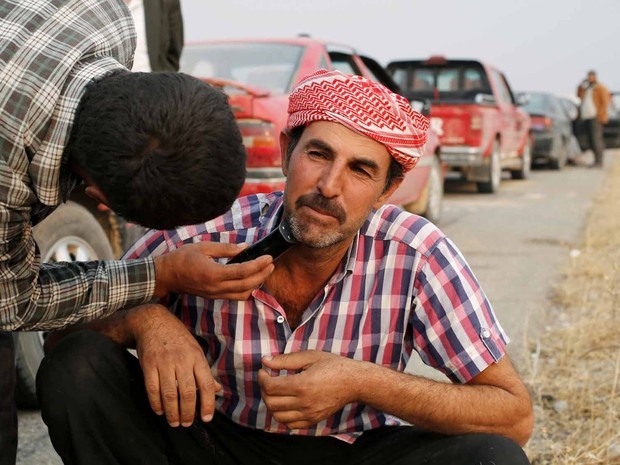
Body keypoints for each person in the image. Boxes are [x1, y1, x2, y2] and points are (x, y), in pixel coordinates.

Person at [38, 70, 534, 465]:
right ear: (285, 153)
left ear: (387, 191)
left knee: (491, 455)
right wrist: (146, 322)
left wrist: (363, 381)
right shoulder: (204, 232)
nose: (329, 186)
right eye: (318, 154)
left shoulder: (417, 252)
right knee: (79, 366)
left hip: (349, 451)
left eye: (360, 169)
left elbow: (513, 417)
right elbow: (57, 342)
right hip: (209, 443)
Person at [0, 1, 273, 464]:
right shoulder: (5, 178)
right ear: (100, 196)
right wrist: (159, 276)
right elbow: (12, 301)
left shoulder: (107, 16)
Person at [125, 0, 184, 72]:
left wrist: (165, 76)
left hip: (155, 79)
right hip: (114, 80)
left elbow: (175, 47)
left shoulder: (166, 3)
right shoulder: (108, 5)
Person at [577, 70, 611, 168]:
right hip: (587, 117)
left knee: (596, 140)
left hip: (595, 118)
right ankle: (596, 161)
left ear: (595, 77)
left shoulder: (600, 88)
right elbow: (579, 95)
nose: (589, 78)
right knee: (591, 140)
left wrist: (600, 115)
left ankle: (599, 161)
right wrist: (581, 85)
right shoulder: (587, 88)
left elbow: (605, 102)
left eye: (591, 76)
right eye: (588, 76)